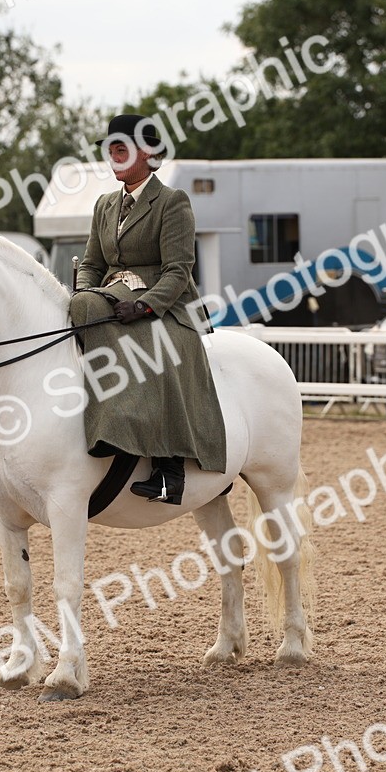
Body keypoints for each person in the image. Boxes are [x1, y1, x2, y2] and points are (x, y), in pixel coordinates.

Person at [68, 114, 226, 505]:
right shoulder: (104, 205)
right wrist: (84, 293)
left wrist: (143, 306)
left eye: (121, 148)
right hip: (109, 297)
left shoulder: (172, 202)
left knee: (160, 350)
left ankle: (168, 467)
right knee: (80, 306)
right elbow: (90, 263)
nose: (113, 155)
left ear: (149, 154)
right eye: (111, 149)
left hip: (167, 305)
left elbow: (178, 270)